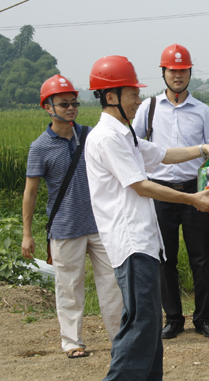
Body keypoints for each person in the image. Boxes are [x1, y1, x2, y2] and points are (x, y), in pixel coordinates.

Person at [85, 55, 209, 381]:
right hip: (132, 244)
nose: (138, 100)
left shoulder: (125, 134)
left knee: (147, 330)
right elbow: (141, 184)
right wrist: (192, 199)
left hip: (143, 243)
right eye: (132, 94)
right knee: (141, 327)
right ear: (111, 97)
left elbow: (162, 154)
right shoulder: (107, 138)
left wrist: (203, 149)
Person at [21, 74, 122, 359]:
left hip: (99, 225)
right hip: (65, 228)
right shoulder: (39, 147)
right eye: (63, 103)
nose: (70, 108)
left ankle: (120, 340)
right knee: (69, 287)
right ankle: (72, 342)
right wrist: (27, 234)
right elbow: (30, 193)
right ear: (47, 107)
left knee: (113, 284)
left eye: (74, 103)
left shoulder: (90, 136)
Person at [132, 44, 209, 339]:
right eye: (173, 70)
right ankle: (172, 318)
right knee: (164, 257)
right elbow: (133, 144)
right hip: (160, 192)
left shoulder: (203, 111)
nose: (178, 75)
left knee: (200, 257)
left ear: (190, 72)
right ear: (164, 73)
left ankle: (203, 318)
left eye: (183, 70)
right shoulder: (149, 107)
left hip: (195, 192)